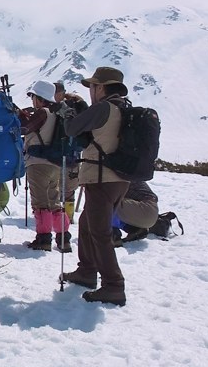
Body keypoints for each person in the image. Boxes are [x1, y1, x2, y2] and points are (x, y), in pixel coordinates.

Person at [60, 66, 130, 306]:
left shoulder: (104, 108)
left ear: (100, 87)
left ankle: (113, 285)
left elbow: (72, 128)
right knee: (88, 227)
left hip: (102, 177)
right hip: (119, 177)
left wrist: (69, 113)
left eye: (92, 86)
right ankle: (86, 270)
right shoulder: (124, 108)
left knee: (99, 233)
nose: (91, 91)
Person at [19, 80, 70, 252]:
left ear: (39, 98)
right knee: (54, 201)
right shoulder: (58, 114)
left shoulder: (42, 112)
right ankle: (64, 238)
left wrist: (20, 116)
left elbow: (24, 129)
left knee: (40, 203)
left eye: (33, 96)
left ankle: (43, 238)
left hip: (38, 163)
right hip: (55, 163)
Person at [54, 81, 88, 226]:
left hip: (63, 154)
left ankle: (62, 218)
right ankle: (68, 215)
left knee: (60, 189)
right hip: (73, 156)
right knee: (68, 189)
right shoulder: (78, 106)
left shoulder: (65, 108)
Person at [113, 181, 159, 245]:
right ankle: (134, 229)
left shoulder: (115, 175)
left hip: (144, 208)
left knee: (103, 201)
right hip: (151, 210)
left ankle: (112, 236)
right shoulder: (128, 173)